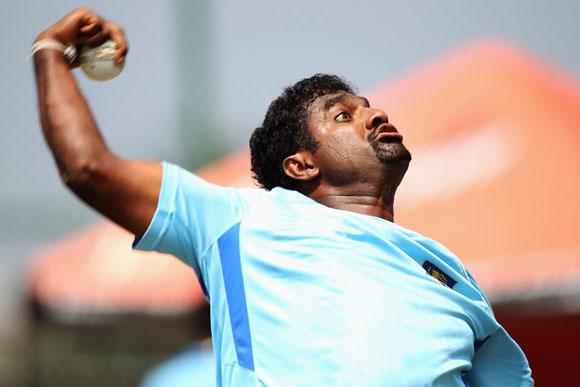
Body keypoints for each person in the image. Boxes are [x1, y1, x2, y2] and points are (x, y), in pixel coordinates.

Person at [33, 8, 533, 387]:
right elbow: (88, 168)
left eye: (370, 107)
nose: (374, 115)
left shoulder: (450, 271)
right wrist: (51, 52)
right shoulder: (240, 220)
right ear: (300, 165)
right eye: (343, 116)